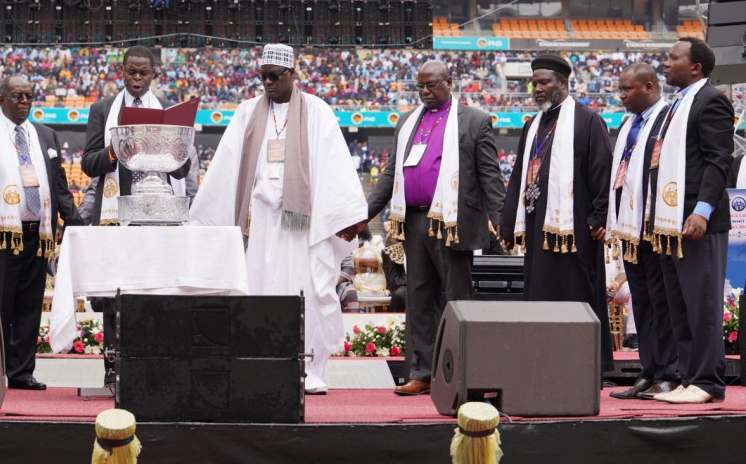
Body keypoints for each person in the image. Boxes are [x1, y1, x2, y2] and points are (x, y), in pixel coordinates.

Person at [189, 44, 368, 394]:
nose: (268, 83)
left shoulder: (317, 111)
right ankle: (257, 361)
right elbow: (226, 169)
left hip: (302, 225)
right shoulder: (246, 113)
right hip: (261, 224)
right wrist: (206, 220)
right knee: (256, 287)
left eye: (274, 76)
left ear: (292, 73)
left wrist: (343, 215)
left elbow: (334, 168)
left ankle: (308, 367)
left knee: (306, 290)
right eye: (263, 77)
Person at [368, 60, 505, 396]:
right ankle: (422, 371)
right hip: (414, 220)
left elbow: (490, 175)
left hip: (452, 222)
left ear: (449, 81)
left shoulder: (474, 120)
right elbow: (390, 174)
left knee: (456, 296)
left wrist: (501, 220)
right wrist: (364, 213)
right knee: (418, 295)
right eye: (421, 87)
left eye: (432, 85)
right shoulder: (407, 121)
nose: (426, 92)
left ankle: (459, 371)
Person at [0, 75, 82, 390]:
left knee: (30, 305)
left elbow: (59, 186)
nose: (24, 102)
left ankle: (21, 372)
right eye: (17, 96)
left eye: (29, 96)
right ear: (0, 98)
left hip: (37, 235)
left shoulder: (46, 135)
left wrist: (75, 223)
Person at [81, 45, 192, 384]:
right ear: (123, 72)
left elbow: (182, 169)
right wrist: (117, 149)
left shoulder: (168, 112)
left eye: (144, 72)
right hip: (116, 215)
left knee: (154, 292)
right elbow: (88, 164)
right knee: (116, 294)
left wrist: (172, 148)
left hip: (156, 213)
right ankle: (113, 370)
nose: (138, 78)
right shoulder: (102, 110)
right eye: (132, 72)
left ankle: (151, 368)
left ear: (154, 74)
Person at [499, 53, 614, 376]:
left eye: (544, 82)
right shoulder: (532, 126)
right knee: (540, 294)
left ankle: (586, 364)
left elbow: (601, 172)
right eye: (534, 83)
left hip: (576, 230)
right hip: (538, 228)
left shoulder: (587, 121)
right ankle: (543, 361)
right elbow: (519, 174)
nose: (537, 88)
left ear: (562, 83)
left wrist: (598, 218)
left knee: (577, 294)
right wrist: (508, 223)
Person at [649, 38, 734, 404]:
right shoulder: (675, 106)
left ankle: (708, 381)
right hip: (670, 223)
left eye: (673, 58)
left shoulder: (711, 100)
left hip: (698, 222)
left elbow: (718, 160)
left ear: (695, 67)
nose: (665, 64)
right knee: (679, 305)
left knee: (701, 304)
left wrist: (702, 210)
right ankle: (689, 377)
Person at [606, 63, 678, 400]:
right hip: (630, 227)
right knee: (644, 304)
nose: (621, 96)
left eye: (627, 89)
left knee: (663, 303)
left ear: (649, 87)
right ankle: (648, 372)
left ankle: (670, 373)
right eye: (620, 89)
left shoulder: (668, 119)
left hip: (656, 225)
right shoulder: (628, 125)